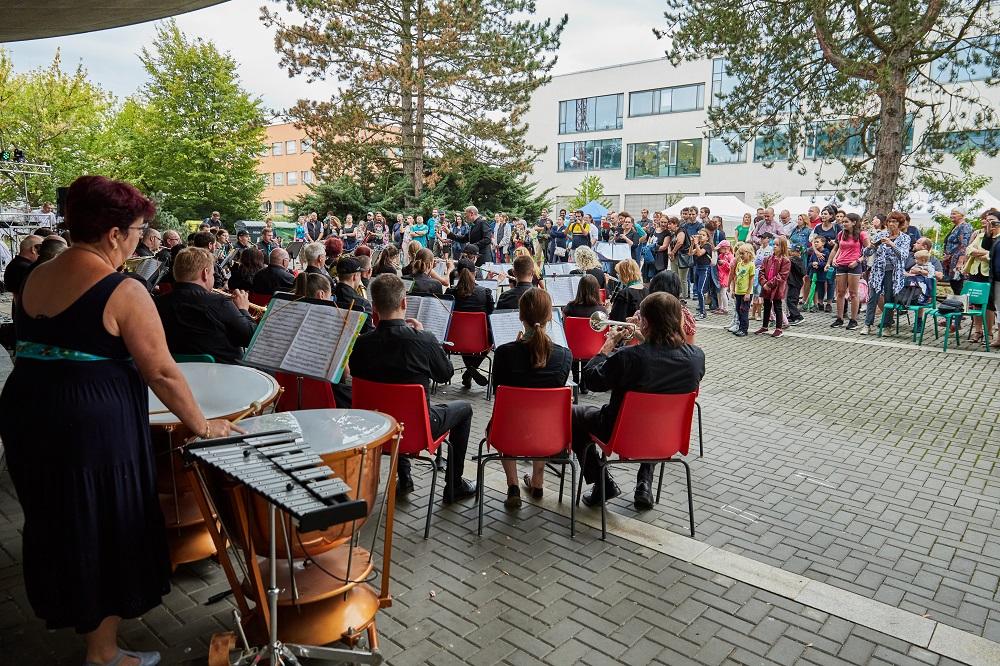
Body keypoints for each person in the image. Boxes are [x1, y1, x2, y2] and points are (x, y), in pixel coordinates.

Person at [0, 175, 241, 666]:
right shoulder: (123, 289)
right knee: (102, 523)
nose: (138, 239)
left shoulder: (35, 277)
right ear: (113, 233)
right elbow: (163, 372)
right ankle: (103, 654)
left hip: (28, 412)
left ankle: (87, 630)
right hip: (90, 425)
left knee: (58, 519)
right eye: (136, 229)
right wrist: (202, 425)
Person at [349, 274, 477, 501]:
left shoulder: (360, 343)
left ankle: (405, 476)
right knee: (464, 409)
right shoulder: (423, 339)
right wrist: (430, 340)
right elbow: (446, 374)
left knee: (392, 404)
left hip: (375, 428)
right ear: (404, 303)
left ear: (375, 307)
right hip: (417, 430)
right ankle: (454, 484)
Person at [572, 292, 705, 510]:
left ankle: (601, 482)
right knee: (654, 419)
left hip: (619, 434)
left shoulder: (628, 357)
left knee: (573, 414)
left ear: (646, 321)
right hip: (666, 437)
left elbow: (592, 380)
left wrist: (607, 346)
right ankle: (645, 483)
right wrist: (645, 334)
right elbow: (659, 354)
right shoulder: (696, 358)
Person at [491, 288, 572, 508]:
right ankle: (538, 480)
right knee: (542, 418)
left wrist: (514, 347)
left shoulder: (504, 353)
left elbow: (496, 390)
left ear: (520, 316)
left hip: (507, 431)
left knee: (506, 416)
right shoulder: (565, 355)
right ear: (549, 317)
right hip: (549, 434)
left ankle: (513, 485)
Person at [154, 247, 256, 363]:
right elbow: (251, 339)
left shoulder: (157, 303)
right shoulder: (219, 303)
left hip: (177, 371)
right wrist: (243, 309)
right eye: (213, 274)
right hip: (224, 373)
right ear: (205, 273)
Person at [446, 263, 495, 388]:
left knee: (463, 333)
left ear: (457, 273)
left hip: (454, 340)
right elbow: (490, 315)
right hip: (480, 341)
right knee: (491, 337)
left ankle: (470, 370)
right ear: (475, 273)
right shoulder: (485, 293)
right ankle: (471, 370)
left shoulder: (450, 293)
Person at [861, 212, 911, 335]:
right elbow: (867, 253)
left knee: (889, 298)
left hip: (893, 272)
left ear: (900, 223)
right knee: (873, 297)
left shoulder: (905, 238)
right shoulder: (881, 234)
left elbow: (903, 255)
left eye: (894, 222)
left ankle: (886, 326)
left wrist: (891, 244)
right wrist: (872, 246)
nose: (891, 224)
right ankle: (867, 324)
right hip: (878, 270)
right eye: (889, 221)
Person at [827, 213, 868, 330]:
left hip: (854, 265)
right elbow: (837, 248)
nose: (843, 223)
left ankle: (854, 320)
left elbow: (869, 250)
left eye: (846, 222)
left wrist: (858, 261)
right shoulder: (841, 234)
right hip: (841, 265)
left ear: (854, 222)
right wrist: (833, 260)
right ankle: (839, 318)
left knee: (853, 293)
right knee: (840, 293)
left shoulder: (861, 234)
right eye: (843, 222)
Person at [962, 213, 997, 344]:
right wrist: (982, 253)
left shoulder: (997, 237)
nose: (986, 222)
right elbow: (969, 249)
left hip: (989, 273)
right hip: (975, 271)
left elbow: (993, 254)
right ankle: (977, 331)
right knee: (975, 302)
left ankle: (989, 333)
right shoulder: (980, 235)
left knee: (988, 304)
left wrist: (984, 254)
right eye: (985, 220)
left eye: (990, 221)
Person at [755, 236, 792, 337]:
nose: (774, 247)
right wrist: (764, 283)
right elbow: (761, 271)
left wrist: (769, 284)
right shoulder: (767, 259)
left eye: (777, 245)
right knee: (766, 306)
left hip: (776, 288)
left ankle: (779, 328)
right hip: (766, 286)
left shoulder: (785, 261)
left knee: (777, 307)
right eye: (773, 244)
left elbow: (782, 276)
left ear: (783, 247)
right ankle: (764, 326)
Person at [334, 255, 375, 334]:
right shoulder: (363, 304)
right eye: (359, 275)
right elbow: (369, 333)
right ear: (355, 276)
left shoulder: (330, 294)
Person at [3, 234, 41, 309]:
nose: (43, 254)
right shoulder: (25, 268)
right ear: (33, 249)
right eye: (41, 249)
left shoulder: (15, 264)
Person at [727, 244, 756, 337]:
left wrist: (748, 293)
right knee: (738, 310)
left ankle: (744, 329)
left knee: (744, 311)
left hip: (745, 293)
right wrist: (734, 290)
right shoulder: (739, 264)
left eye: (743, 253)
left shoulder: (751, 265)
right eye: (740, 254)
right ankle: (739, 327)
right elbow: (736, 277)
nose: (741, 256)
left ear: (749, 253)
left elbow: (751, 279)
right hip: (738, 291)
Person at [943, 208, 973, 295]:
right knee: (954, 283)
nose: (951, 216)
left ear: (962, 215)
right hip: (950, 260)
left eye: (954, 214)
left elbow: (964, 245)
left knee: (958, 283)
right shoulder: (956, 226)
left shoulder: (965, 227)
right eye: (951, 213)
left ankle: (961, 304)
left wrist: (960, 262)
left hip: (958, 261)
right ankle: (957, 303)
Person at [688, 230, 714, 319]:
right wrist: (692, 244)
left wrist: (696, 244)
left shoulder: (707, 246)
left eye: (703, 235)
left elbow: (699, 253)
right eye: (700, 235)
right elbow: (690, 253)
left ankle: (703, 312)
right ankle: (700, 311)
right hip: (698, 269)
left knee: (700, 291)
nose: (701, 236)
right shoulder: (700, 245)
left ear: (707, 237)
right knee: (698, 291)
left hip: (705, 269)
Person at [806, 236, 831, 312]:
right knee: (814, 289)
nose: (816, 243)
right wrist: (813, 264)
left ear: (823, 243)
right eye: (815, 242)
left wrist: (819, 264)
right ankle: (815, 305)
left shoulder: (826, 252)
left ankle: (821, 303)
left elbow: (827, 263)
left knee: (822, 289)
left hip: (822, 274)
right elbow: (809, 263)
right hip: (813, 274)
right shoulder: (814, 253)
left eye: (817, 242)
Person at [715, 240, 734, 316]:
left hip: (726, 277)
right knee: (719, 293)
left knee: (723, 293)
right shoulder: (720, 256)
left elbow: (731, 267)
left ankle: (725, 308)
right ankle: (720, 307)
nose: (720, 250)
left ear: (726, 248)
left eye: (721, 248)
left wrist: (725, 263)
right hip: (720, 276)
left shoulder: (730, 256)